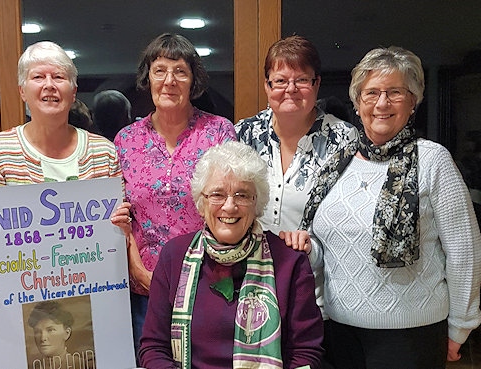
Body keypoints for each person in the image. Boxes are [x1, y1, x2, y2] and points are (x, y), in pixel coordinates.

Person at [284, 46, 481, 369]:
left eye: (395, 92)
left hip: (411, 336)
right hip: (336, 330)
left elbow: (464, 250)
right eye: (371, 92)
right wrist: (305, 247)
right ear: (358, 103)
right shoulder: (338, 162)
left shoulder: (432, 161)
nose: (382, 103)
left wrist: (462, 325)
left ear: (413, 101)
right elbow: (322, 242)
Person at [139, 141, 323, 369]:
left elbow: (306, 352)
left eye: (242, 195)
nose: (229, 206)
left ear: (257, 202)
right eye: (217, 194)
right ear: (201, 201)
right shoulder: (174, 256)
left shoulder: (289, 261)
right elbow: (154, 347)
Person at [113, 33, 237, 362]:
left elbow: (231, 210)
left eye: (180, 71)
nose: (169, 80)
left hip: (207, 285)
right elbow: (121, 216)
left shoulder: (219, 133)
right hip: (145, 291)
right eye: (160, 70)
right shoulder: (126, 140)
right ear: (147, 77)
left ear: (193, 80)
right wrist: (138, 271)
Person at [235, 35, 357, 367]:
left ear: (317, 83)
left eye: (302, 79)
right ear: (266, 85)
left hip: (319, 293)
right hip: (252, 288)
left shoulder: (343, 139)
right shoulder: (244, 134)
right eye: (280, 80)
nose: (290, 89)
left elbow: (351, 214)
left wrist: (312, 244)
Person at [0, 41, 120, 186]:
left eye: (58, 77)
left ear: (73, 92)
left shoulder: (104, 153)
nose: (49, 85)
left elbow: (118, 205)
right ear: (22, 91)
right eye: (38, 77)